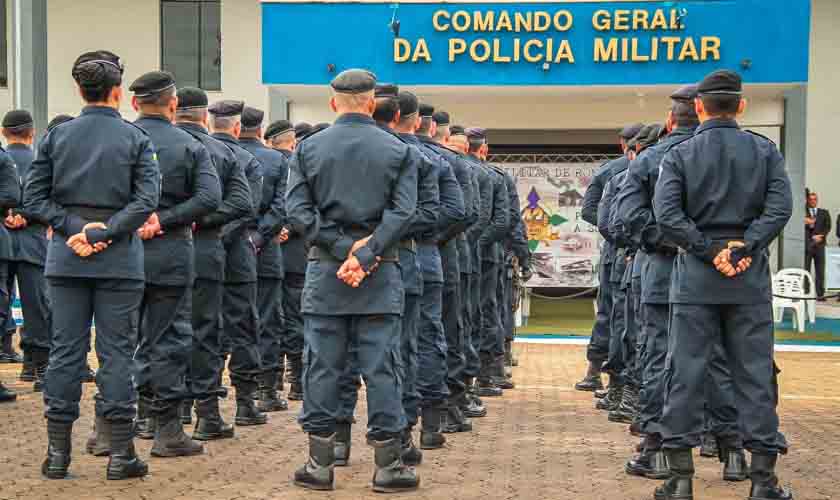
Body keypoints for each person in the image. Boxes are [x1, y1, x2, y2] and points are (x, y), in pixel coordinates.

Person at [653, 69, 793, 500]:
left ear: (698, 107)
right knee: (754, 375)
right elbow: (780, 207)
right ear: (741, 106)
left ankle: (679, 480)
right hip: (747, 278)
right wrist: (744, 247)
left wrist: (707, 250)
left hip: (696, 279)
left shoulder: (679, 155)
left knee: (686, 374)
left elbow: (667, 215)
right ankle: (763, 483)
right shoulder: (765, 151)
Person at [26, 50, 160, 480]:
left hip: (66, 257)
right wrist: (103, 232)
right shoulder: (136, 138)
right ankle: (121, 456)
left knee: (65, 353)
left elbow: (33, 198)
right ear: (119, 92)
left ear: (79, 90)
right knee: (117, 354)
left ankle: (57, 456)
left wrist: (73, 228)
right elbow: (146, 201)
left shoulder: (55, 137)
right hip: (119, 258)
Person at [286, 69, 419, 493]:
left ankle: (320, 463)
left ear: (333, 103)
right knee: (383, 369)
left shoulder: (307, 149)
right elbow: (403, 214)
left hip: (325, 273)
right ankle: (387, 465)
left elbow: (298, 213)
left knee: (323, 367)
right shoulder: (398, 149)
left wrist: (340, 247)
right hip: (379, 273)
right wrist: (364, 252)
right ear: (372, 103)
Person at [129, 71, 222, 458]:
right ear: (172, 105)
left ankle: (117, 427)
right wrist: (164, 220)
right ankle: (166, 430)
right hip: (170, 254)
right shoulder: (190, 145)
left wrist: (132, 220)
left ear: (134, 103)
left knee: (122, 340)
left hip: (122, 251)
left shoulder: (124, 139)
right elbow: (210, 197)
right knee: (167, 338)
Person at [176, 87, 251, 441]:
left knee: (155, 331)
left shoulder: (149, 142)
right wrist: (201, 222)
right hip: (206, 249)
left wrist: (166, 220)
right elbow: (241, 202)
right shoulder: (222, 151)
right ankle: (206, 414)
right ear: (204, 117)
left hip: (156, 247)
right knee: (205, 330)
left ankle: (158, 413)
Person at [393, 91, 453, 450]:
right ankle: (429, 424)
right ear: (419, 122)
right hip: (422, 257)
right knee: (426, 337)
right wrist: (428, 237)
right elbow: (457, 211)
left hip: (364, 259)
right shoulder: (434, 159)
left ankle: (337, 440)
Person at [207, 100, 266, 427]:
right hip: (238, 256)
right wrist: (224, 235)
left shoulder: (200, 150)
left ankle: (202, 402)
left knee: (202, 326)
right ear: (236, 127)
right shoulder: (247, 159)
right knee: (243, 327)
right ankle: (245, 403)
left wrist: (209, 235)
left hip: (200, 253)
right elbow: (248, 208)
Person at [575, 123, 643, 393]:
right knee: (628, 316)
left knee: (609, 313)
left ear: (621, 143)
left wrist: (614, 231)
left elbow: (589, 211)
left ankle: (596, 373)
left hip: (615, 249)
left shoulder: (608, 170)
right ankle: (621, 381)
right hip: (642, 249)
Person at [414, 103, 469, 432]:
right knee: (437, 334)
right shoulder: (446, 161)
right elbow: (463, 212)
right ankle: (438, 416)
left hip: (382, 259)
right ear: (432, 128)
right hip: (436, 258)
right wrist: (431, 238)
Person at [238, 107, 291, 413]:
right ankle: (266, 390)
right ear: (260, 130)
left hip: (229, 247)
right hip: (265, 249)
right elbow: (282, 206)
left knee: (229, 319)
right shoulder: (277, 160)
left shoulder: (222, 152)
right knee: (269, 319)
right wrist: (259, 237)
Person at [1, 110, 52, 392]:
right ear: (32, 133)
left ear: (4, 132)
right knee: (37, 307)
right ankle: (38, 368)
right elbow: (51, 204)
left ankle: (11, 359)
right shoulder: (40, 162)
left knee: (2, 305)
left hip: (3, 241)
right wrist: (27, 216)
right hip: (33, 244)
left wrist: (9, 214)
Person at [804, 191, 830, 299]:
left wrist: (821, 236)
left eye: (815, 199)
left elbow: (828, 227)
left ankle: (820, 294)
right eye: (811, 199)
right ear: (808, 200)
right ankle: (806, 293)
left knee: (820, 271)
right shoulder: (803, 214)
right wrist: (811, 237)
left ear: (817, 200)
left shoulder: (824, 213)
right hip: (808, 245)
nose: (813, 201)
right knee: (806, 270)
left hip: (819, 245)